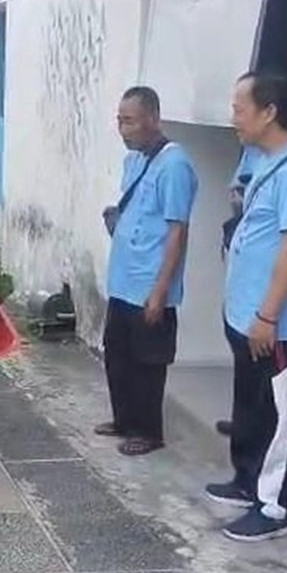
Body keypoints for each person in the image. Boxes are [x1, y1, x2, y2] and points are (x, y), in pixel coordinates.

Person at [206, 73, 287, 542]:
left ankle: (276, 507)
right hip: (247, 316)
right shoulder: (271, 161)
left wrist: (268, 316)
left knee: (280, 413)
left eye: (240, 108)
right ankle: (247, 480)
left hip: (274, 322)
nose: (233, 118)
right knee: (253, 404)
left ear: (269, 112)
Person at [97, 87, 198, 456]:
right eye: (119, 120)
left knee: (147, 362)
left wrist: (161, 290)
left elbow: (177, 230)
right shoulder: (135, 160)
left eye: (130, 121)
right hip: (123, 280)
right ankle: (124, 419)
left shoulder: (174, 165)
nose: (123, 129)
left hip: (149, 285)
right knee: (117, 355)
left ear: (153, 118)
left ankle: (148, 431)